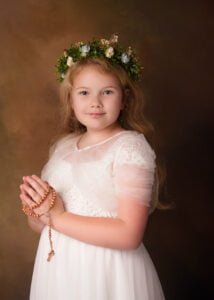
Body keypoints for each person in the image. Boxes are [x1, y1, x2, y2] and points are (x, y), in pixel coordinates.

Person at [19, 34, 165, 300]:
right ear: (71, 100)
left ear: (124, 99)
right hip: (59, 271)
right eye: (84, 93)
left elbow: (129, 234)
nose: (95, 102)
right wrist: (38, 209)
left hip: (105, 270)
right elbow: (45, 223)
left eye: (107, 92)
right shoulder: (63, 148)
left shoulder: (130, 148)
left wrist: (58, 216)